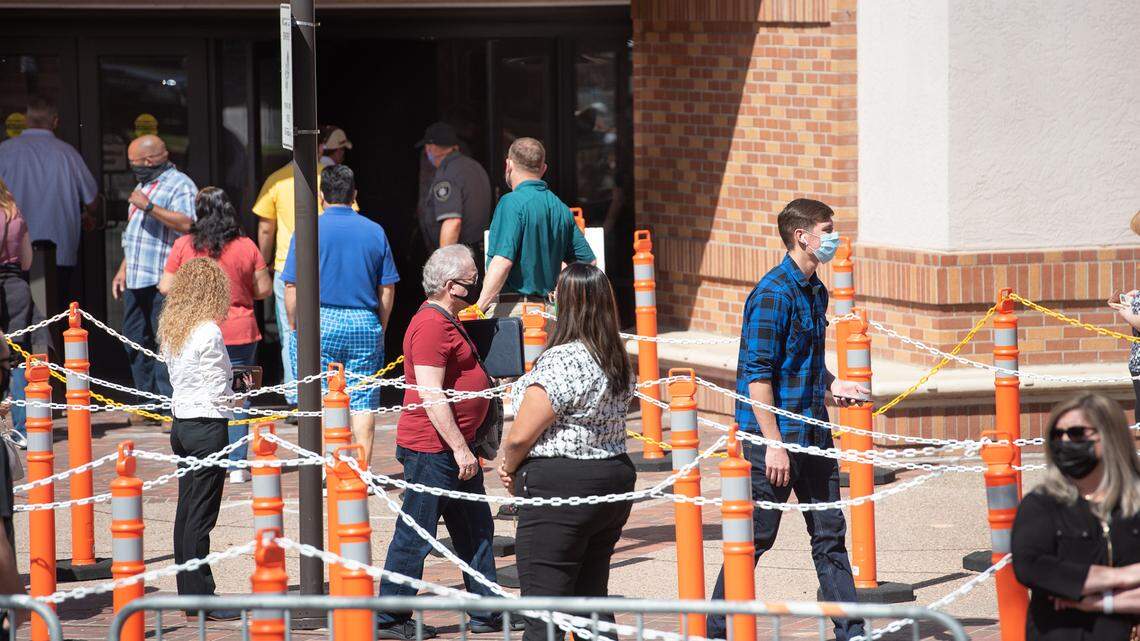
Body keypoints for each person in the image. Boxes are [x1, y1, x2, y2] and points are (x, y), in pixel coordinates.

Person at [705, 198, 868, 641]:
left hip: (813, 431)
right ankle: (717, 630)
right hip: (772, 439)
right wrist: (773, 443)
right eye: (827, 229)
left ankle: (851, 631)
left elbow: (806, 362)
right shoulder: (772, 293)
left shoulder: (817, 290)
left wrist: (834, 386)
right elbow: (757, 374)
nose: (834, 238)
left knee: (830, 535)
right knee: (755, 538)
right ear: (802, 235)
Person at [375, 244, 516, 640]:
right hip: (433, 451)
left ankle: (487, 612)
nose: (476, 285)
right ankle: (388, 619)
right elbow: (430, 394)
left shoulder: (449, 319)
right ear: (452, 286)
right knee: (416, 534)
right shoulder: (431, 326)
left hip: (455, 449)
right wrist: (458, 449)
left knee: (475, 530)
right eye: (472, 280)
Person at [497, 262, 635, 641]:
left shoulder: (563, 360)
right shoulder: (617, 357)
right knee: (592, 602)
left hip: (561, 489)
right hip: (611, 480)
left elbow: (521, 435)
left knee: (545, 610)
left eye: (556, 294)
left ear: (568, 303)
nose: (552, 300)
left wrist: (508, 467)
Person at [282, 164, 398, 467]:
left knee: (320, 397)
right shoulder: (374, 231)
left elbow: (292, 285)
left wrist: (295, 326)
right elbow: (387, 288)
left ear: (321, 196)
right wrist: (380, 325)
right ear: (354, 195)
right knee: (362, 400)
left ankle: (329, 468)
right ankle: (362, 470)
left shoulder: (307, 229)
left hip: (319, 320)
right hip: (363, 319)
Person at [159, 187, 271, 484]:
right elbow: (264, 289)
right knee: (239, 397)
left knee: (195, 392)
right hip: (240, 329)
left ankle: (207, 460)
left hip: (195, 328)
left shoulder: (184, 245)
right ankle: (237, 464)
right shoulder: (246, 245)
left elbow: (165, 286)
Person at [1012, 393, 1140, 640]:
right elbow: (1031, 567)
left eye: (1077, 433)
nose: (1065, 441)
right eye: (1057, 435)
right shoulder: (1042, 504)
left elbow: (1060, 577)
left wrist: (1102, 602)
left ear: (1110, 436)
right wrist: (1123, 576)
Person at [156, 257, 239, 620]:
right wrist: (239, 387)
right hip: (207, 424)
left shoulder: (174, 326)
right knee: (202, 514)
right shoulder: (208, 330)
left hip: (181, 422)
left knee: (186, 509)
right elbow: (220, 383)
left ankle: (189, 594)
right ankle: (203, 595)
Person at [254, 161, 355, 412]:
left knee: (292, 332)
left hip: (286, 266)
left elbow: (266, 228)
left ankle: (296, 395)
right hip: (328, 262)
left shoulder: (276, 179)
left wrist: (263, 261)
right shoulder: (332, 179)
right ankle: (336, 391)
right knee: (332, 326)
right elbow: (350, 218)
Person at [111, 135, 197, 426]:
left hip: (165, 278)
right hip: (137, 276)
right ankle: (147, 404)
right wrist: (123, 267)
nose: (133, 168)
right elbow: (135, 233)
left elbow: (188, 223)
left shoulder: (180, 184)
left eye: (135, 163)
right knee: (135, 339)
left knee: (165, 343)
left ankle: (169, 407)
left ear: (149, 161)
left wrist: (150, 207)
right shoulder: (143, 185)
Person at [475, 138, 595, 317]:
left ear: (508, 165)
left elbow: (502, 261)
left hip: (514, 312)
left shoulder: (511, 203)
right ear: (543, 168)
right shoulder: (561, 208)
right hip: (550, 312)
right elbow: (588, 263)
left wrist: (478, 307)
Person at [0, 96, 98, 303]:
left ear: (25, 120)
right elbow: (92, 199)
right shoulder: (67, 154)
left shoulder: (5, 151)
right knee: (55, 310)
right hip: (59, 248)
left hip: (11, 250)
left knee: (15, 317)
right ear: (55, 121)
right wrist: (87, 213)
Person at [415, 122, 492, 265]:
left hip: (461, 258)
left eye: (426, 147)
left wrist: (444, 266)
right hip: (479, 253)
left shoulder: (447, 174)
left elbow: (452, 222)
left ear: (431, 148)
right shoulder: (474, 166)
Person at [0, 178, 42, 437]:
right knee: (17, 356)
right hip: (16, 287)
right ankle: (23, 429)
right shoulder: (16, 214)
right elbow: (26, 262)